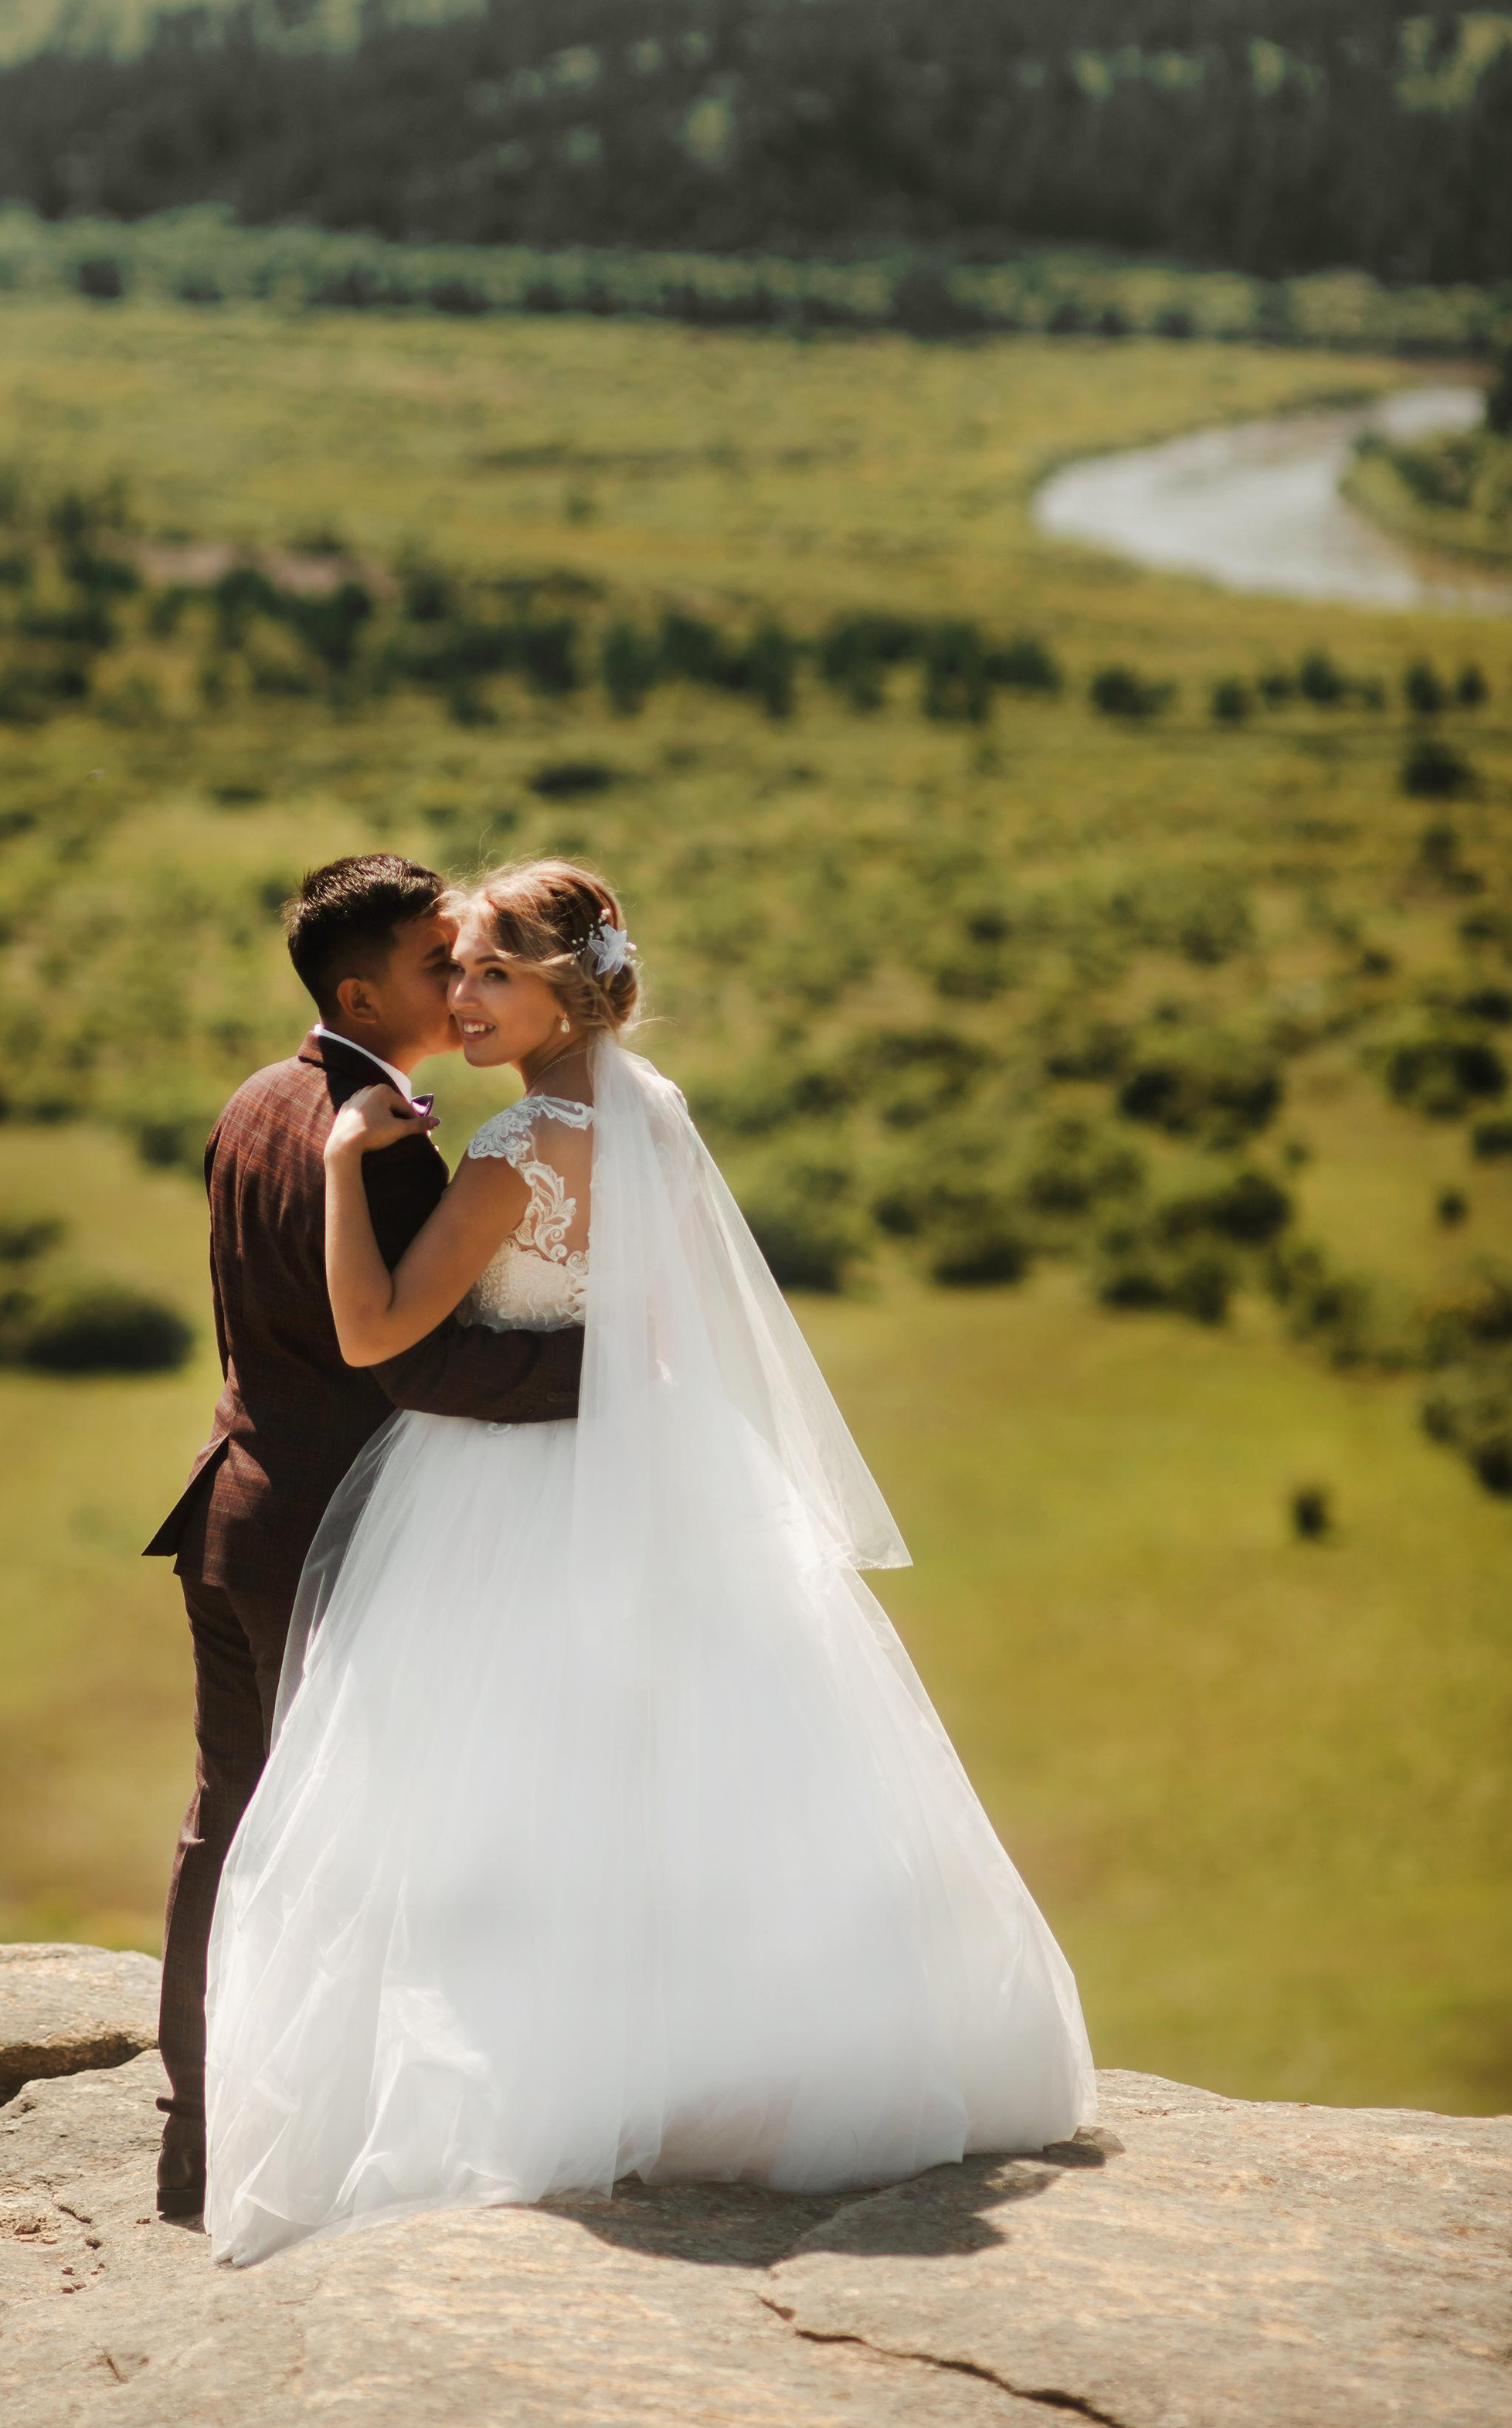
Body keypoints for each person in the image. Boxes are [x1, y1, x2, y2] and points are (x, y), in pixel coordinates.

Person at [202, 858, 1093, 2264]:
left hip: (502, 1493)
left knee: (497, 1791)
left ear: (566, 989)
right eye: (458, 970)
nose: (467, 997)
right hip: (654, 1470)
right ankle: (713, 2062)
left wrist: (339, 1164)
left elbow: (375, 1333)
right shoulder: (651, 1109)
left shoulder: (515, 1147)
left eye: (495, 972)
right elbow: (659, 1330)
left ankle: (548, 2078)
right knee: (675, 1771)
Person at [142, 854, 583, 2222]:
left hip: (234, 1511)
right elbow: (416, 1363)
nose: (464, 983)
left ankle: (199, 2126)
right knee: (355, 1835)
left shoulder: (256, 1097)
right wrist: (610, 1371)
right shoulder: (379, 1137)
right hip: (338, 1537)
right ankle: (327, 2130)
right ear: (360, 996)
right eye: (436, 964)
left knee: (229, 1821)